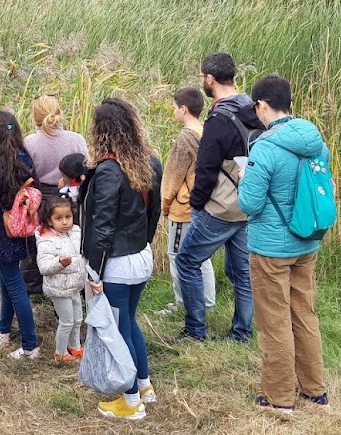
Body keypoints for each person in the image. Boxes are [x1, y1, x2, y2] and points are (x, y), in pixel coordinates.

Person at [238, 75, 330, 414]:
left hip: (271, 249)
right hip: (307, 242)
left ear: (262, 105)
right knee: (304, 314)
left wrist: (244, 178)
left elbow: (249, 204)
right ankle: (314, 390)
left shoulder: (265, 147)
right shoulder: (316, 142)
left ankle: (278, 397)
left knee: (274, 321)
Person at [82, 98, 162, 421]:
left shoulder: (108, 171)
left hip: (115, 263)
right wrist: (143, 245)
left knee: (118, 331)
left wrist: (95, 272)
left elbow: (102, 227)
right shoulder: (149, 163)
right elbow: (154, 213)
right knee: (128, 320)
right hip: (140, 256)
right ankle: (144, 385)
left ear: (101, 131)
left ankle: (130, 401)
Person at [175, 52, 264, 342]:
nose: (202, 81)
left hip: (221, 207)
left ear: (210, 79)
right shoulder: (253, 108)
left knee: (187, 261)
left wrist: (197, 203)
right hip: (249, 203)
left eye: (203, 77)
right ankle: (241, 332)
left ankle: (195, 329)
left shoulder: (218, 118)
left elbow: (206, 168)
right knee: (243, 272)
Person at [0, 110, 40, 360]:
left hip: (3, 236)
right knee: (8, 280)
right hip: (23, 232)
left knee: (15, 285)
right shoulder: (25, 160)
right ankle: (3, 329)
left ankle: (30, 345)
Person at [159, 87, 216, 316]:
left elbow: (172, 178)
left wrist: (165, 205)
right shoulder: (207, 133)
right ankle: (208, 303)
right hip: (204, 204)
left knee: (177, 255)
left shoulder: (185, 139)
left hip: (183, 208)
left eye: (174, 107)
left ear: (183, 109)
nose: (174, 111)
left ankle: (182, 302)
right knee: (202, 257)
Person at [35, 195, 85, 363]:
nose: (65, 222)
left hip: (75, 285)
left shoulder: (75, 232)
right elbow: (44, 267)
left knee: (78, 319)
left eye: (68, 217)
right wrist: (59, 263)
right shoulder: (46, 240)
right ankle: (60, 352)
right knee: (67, 321)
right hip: (58, 288)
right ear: (49, 220)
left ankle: (75, 346)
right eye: (59, 218)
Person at [24, 94, 87, 198]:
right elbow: (87, 169)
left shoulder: (29, 143)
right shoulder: (77, 140)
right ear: (59, 112)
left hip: (40, 199)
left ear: (35, 117)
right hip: (72, 197)